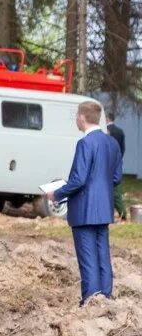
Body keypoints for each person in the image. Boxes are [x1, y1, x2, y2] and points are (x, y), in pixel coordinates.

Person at [48, 101, 123, 304]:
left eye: (76, 117)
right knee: (102, 256)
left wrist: (57, 194)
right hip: (104, 209)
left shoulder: (85, 143)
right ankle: (105, 296)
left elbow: (79, 179)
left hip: (84, 209)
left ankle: (90, 299)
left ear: (81, 117)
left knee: (87, 257)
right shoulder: (112, 143)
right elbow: (116, 178)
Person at [106, 112, 127, 221]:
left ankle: (120, 213)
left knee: (113, 191)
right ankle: (120, 213)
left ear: (107, 118)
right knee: (115, 189)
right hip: (117, 162)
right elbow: (123, 148)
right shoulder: (120, 131)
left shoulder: (105, 131)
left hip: (107, 163)